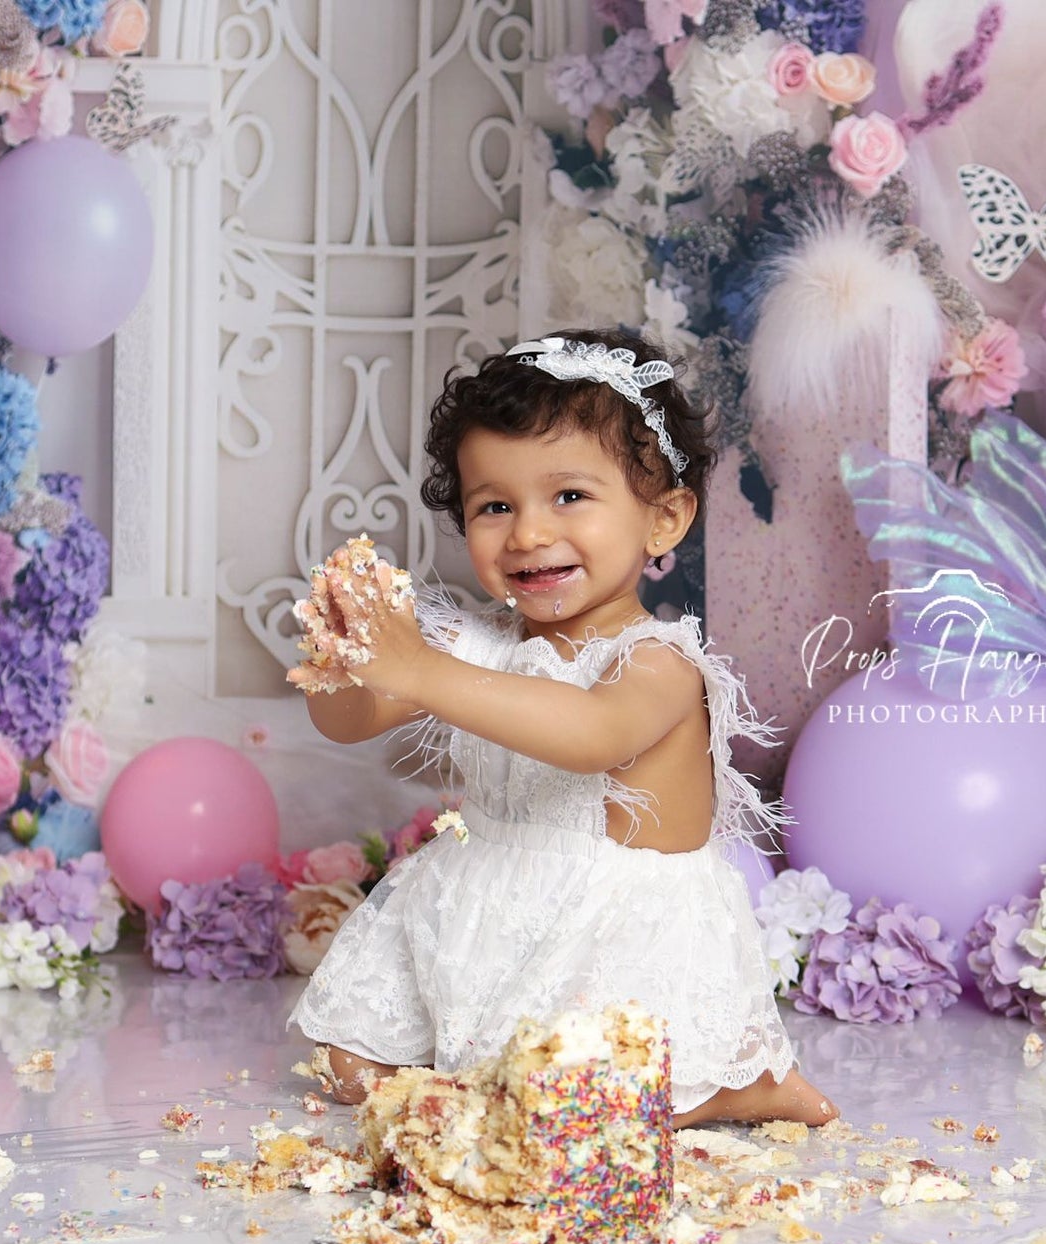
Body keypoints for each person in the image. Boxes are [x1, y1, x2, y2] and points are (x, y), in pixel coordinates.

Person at [285, 328, 836, 1128]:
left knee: (572, 1106)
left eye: (569, 496)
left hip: (611, 936)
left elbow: (591, 735)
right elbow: (353, 720)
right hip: (483, 909)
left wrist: (421, 669)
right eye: (495, 506)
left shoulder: (657, 662)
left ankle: (732, 1083)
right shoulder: (473, 645)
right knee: (347, 1062)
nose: (529, 533)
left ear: (664, 519)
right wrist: (346, 662)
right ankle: (475, 1081)